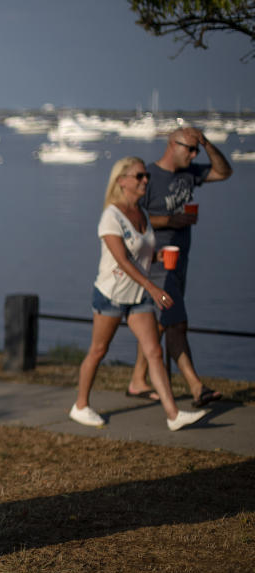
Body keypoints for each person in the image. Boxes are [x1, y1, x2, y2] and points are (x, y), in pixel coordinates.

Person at [70, 156, 207, 431]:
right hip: (111, 294)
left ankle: (173, 414)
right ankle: (80, 406)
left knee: (154, 351)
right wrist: (153, 287)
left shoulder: (141, 214)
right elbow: (122, 259)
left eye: (146, 176)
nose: (146, 180)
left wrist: (157, 256)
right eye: (140, 176)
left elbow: (140, 254)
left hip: (138, 295)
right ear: (122, 181)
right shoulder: (111, 216)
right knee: (99, 350)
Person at [126, 127, 233, 407]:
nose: (195, 154)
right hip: (157, 262)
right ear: (172, 145)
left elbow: (224, 172)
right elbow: (132, 217)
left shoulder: (190, 173)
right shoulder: (148, 177)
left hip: (179, 262)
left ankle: (138, 379)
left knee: (160, 325)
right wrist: (170, 221)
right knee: (176, 322)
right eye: (190, 148)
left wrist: (207, 142)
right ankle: (197, 387)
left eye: (197, 149)